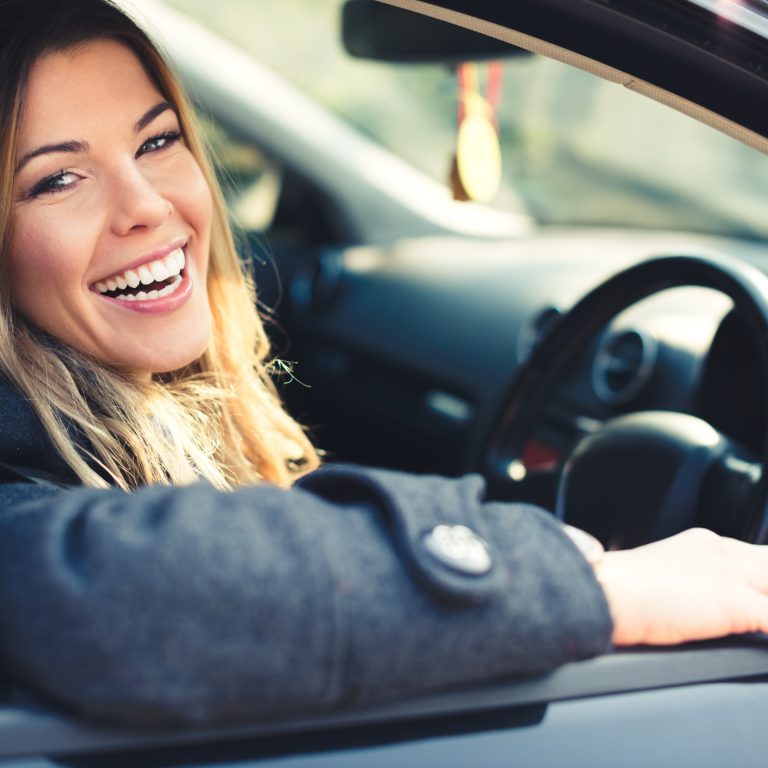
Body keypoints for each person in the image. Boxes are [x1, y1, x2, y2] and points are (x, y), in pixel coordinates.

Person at [0, 0, 767, 727]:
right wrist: (582, 584)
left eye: (157, 141)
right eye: (56, 179)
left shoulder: (136, 415)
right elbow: (96, 591)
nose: (146, 205)